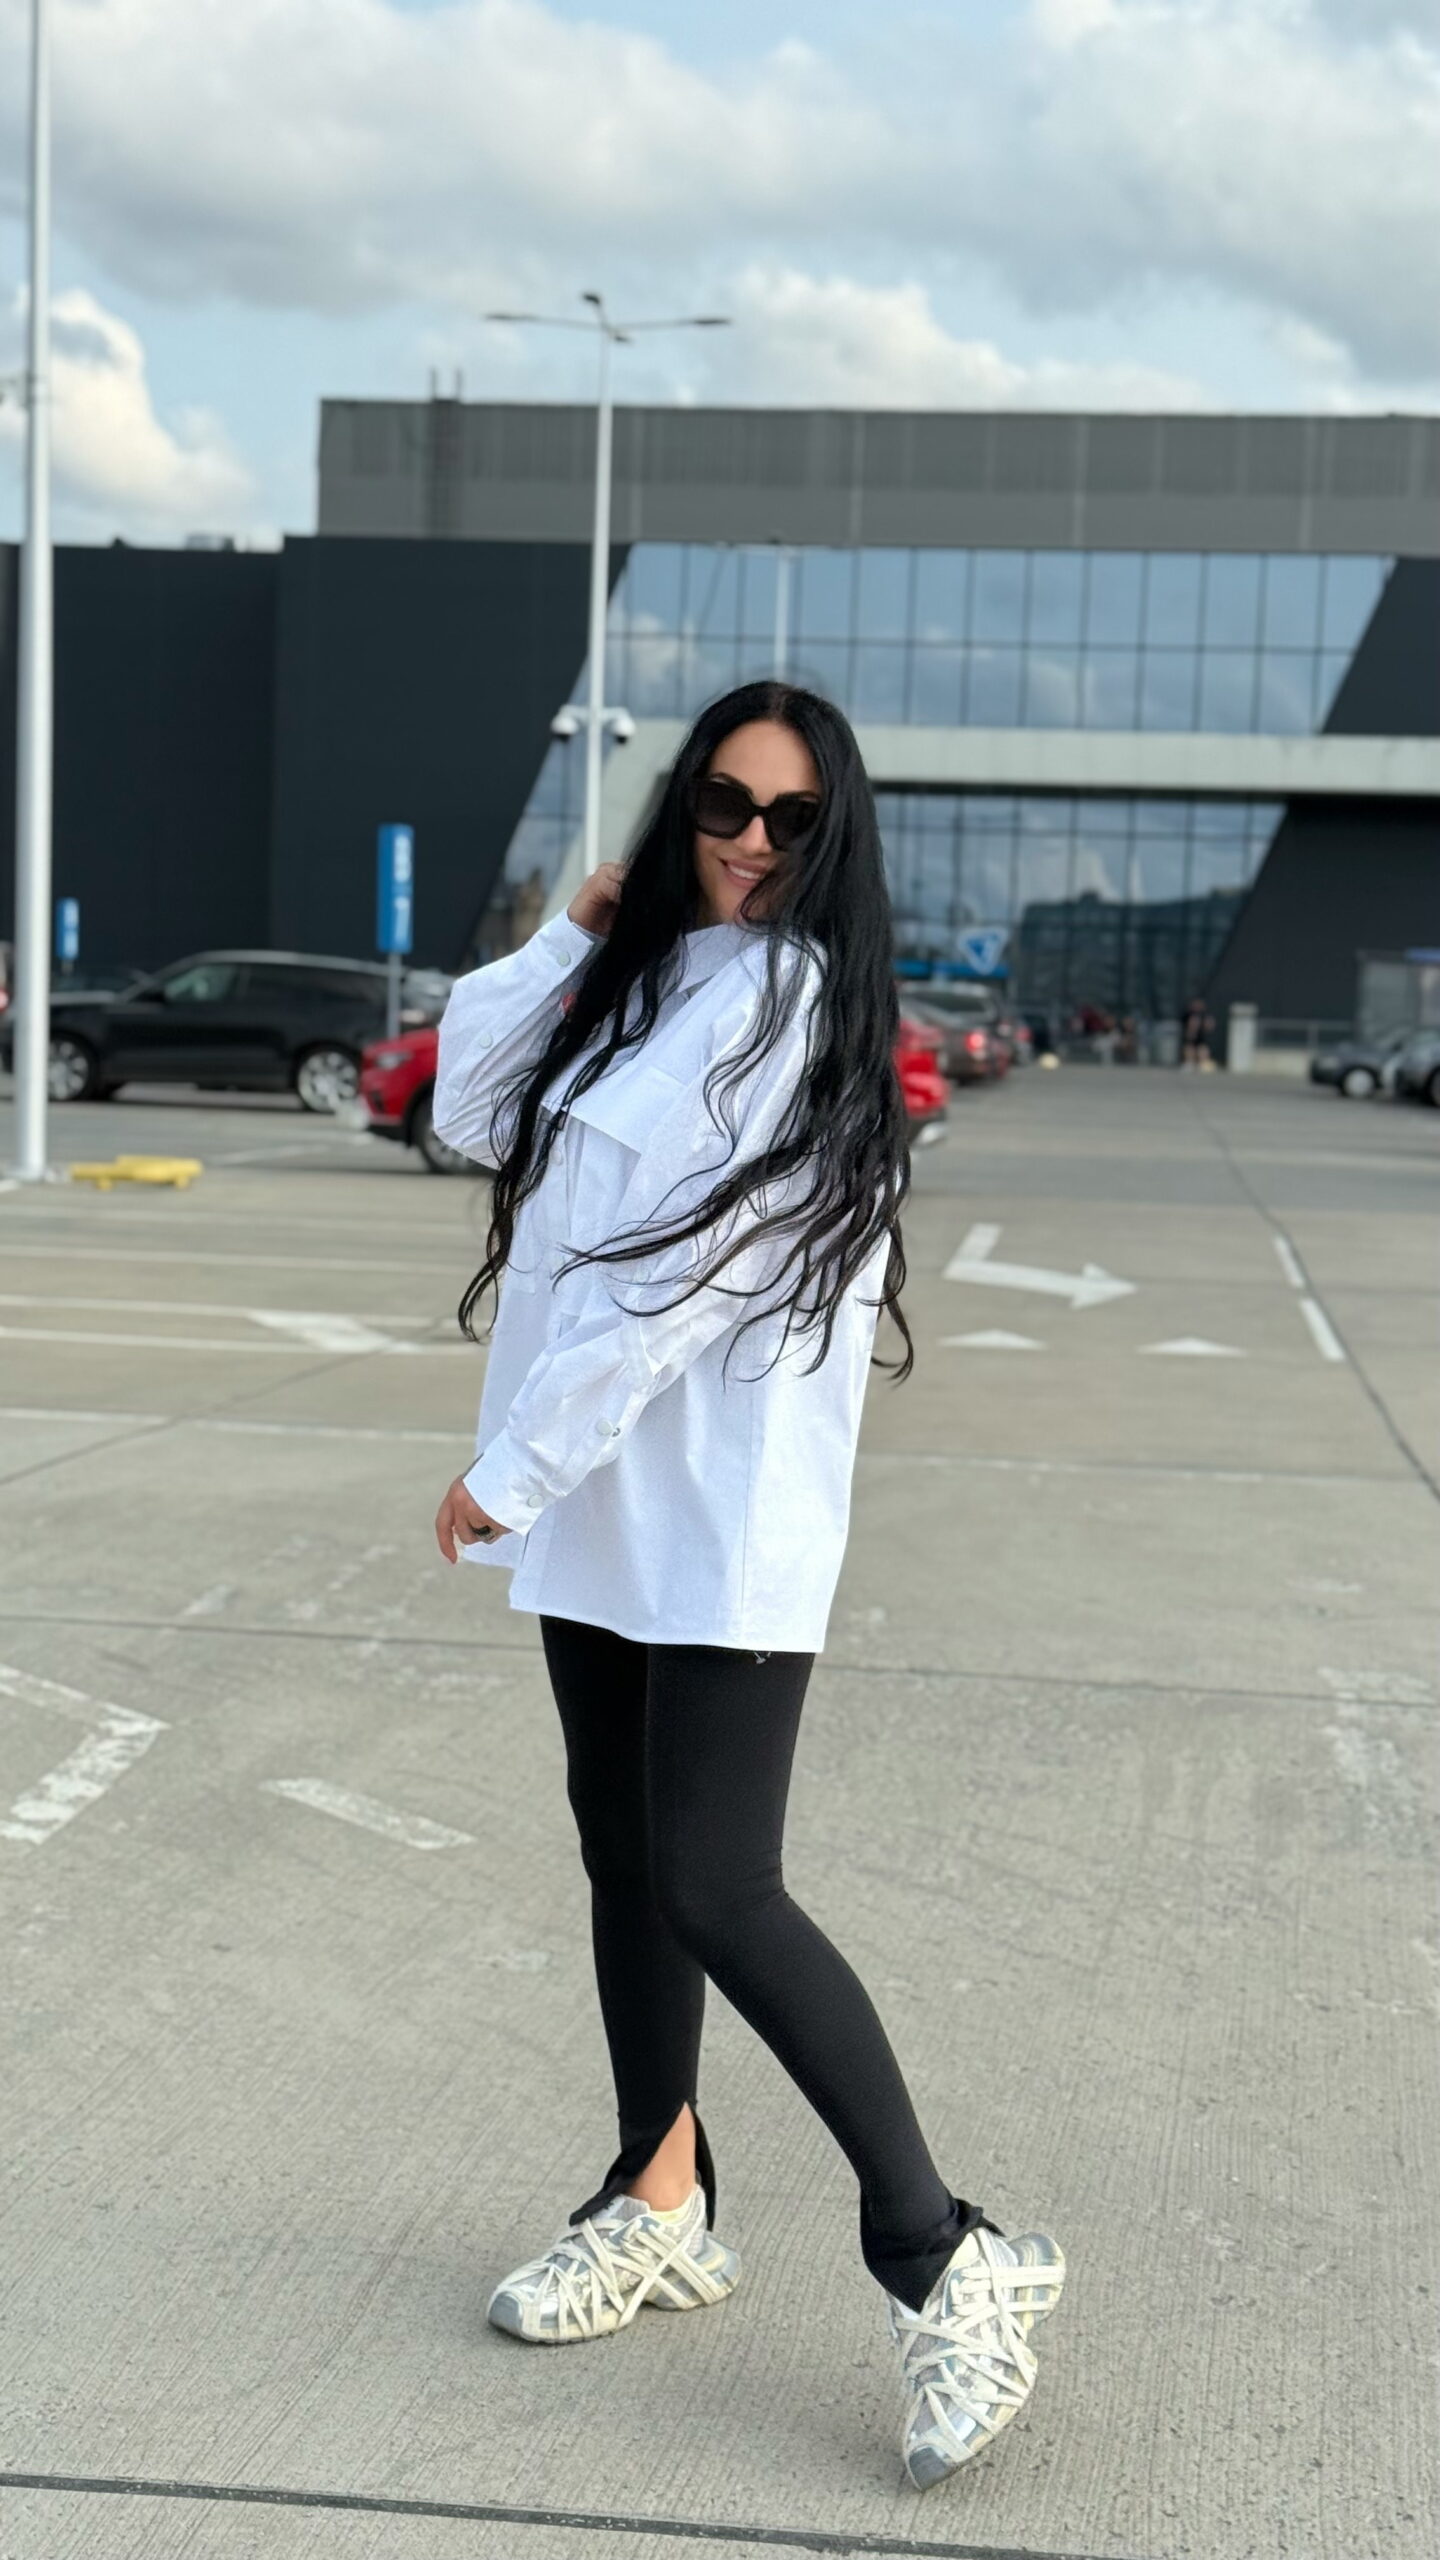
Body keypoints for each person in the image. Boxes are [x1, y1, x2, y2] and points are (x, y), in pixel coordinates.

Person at [429, 681, 1065, 2491]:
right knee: (625, 1856)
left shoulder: (792, 1007)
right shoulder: (645, 982)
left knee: (719, 1881)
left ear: (835, 833)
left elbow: (683, 1280)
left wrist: (513, 1467)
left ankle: (945, 2254)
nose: (753, 844)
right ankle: (658, 2198)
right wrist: (573, 931)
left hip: (714, 1517)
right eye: (723, 803)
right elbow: (469, 1108)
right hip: (602, 1517)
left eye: (792, 818)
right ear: (678, 807)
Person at [1180, 992, 1215, 1069]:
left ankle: (1203, 1062)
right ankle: (1189, 1062)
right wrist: (1191, 1031)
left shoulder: (1205, 1015)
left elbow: (1210, 1026)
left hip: (1201, 1037)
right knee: (1189, 1048)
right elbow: (1187, 1026)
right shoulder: (1188, 1014)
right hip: (1191, 1037)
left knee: (1202, 1049)